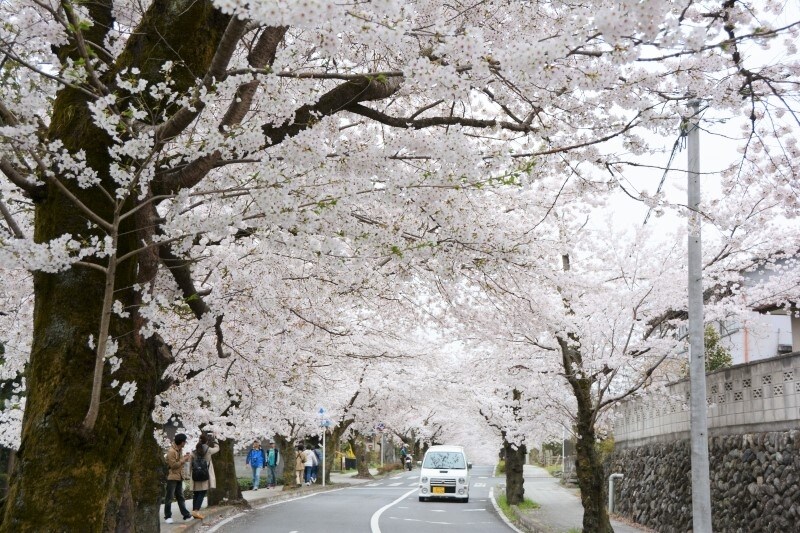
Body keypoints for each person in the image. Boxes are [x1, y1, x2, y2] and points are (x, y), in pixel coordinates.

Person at [189, 432, 220, 520]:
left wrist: (190, 474)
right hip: (204, 474)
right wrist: (215, 439)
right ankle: (196, 511)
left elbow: (190, 464)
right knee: (202, 493)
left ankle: (194, 512)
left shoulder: (194, 451)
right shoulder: (209, 450)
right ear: (206, 442)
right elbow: (217, 448)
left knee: (196, 493)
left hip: (195, 474)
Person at [164, 433, 193, 524]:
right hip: (172, 477)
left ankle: (186, 515)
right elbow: (173, 466)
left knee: (180, 497)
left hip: (179, 476)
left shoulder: (179, 450)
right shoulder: (171, 451)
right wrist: (183, 460)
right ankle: (167, 516)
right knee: (169, 497)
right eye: (184, 441)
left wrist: (185, 459)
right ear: (181, 442)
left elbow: (180, 463)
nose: (185, 443)